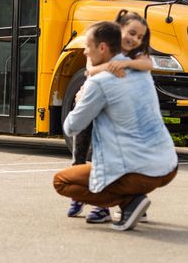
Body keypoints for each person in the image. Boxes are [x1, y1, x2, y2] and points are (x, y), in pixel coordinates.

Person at [54, 21, 178, 231]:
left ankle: (129, 202)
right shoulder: (142, 72)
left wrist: (81, 99)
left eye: (88, 47)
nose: (84, 51)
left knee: (62, 181)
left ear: (102, 48)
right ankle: (134, 197)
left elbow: (71, 127)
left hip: (138, 171)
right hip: (169, 165)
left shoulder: (99, 81)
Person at [67, 10, 153, 224]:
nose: (134, 39)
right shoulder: (101, 45)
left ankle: (115, 203)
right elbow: (90, 69)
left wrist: (124, 64)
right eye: (130, 33)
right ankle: (80, 194)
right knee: (81, 149)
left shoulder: (135, 56)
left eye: (139, 37)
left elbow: (148, 64)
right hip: (93, 104)